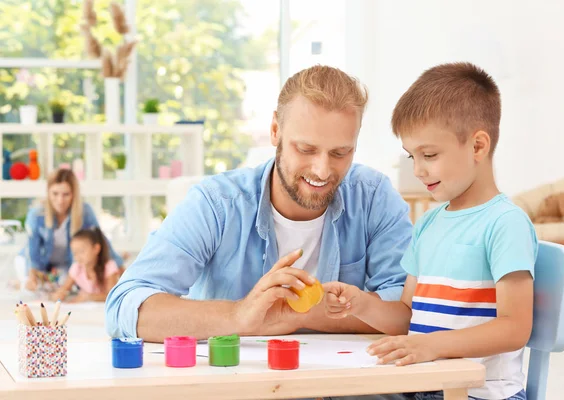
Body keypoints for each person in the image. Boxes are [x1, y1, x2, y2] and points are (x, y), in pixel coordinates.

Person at [105, 65, 414, 342]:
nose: (322, 170)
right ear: (275, 131)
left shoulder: (373, 197)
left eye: (340, 153)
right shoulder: (217, 204)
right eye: (306, 149)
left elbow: (407, 310)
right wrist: (240, 316)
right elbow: (126, 305)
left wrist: (302, 312)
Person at [325, 62, 537, 400]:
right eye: (412, 156)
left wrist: (431, 346)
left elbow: (515, 328)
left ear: (478, 147)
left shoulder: (505, 223)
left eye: (429, 154)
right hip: (424, 385)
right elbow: (407, 315)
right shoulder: (428, 223)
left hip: (481, 393)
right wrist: (362, 304)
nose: (419, 170)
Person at [15, 168, 124, 291]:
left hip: (66, 265)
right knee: (33, 288)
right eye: (55, 194)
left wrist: (121, 268)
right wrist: (32, 274)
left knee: (66, 287)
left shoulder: (85, 212)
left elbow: (100, 240)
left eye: (66, 194)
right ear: (48, 193)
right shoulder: (37, 215)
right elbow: (32, 249)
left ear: (74, 194)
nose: (60, 201)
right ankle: (19, 283)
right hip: (40, 263)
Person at [51, 227, 120, 303]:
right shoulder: (76, 267)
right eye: (75, 253)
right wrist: (58, 294)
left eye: (81, 251)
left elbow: (112, 296)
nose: (78, 256)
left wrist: (88, 297)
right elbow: (64, 289)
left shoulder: (109, 266)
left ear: (96, 249)